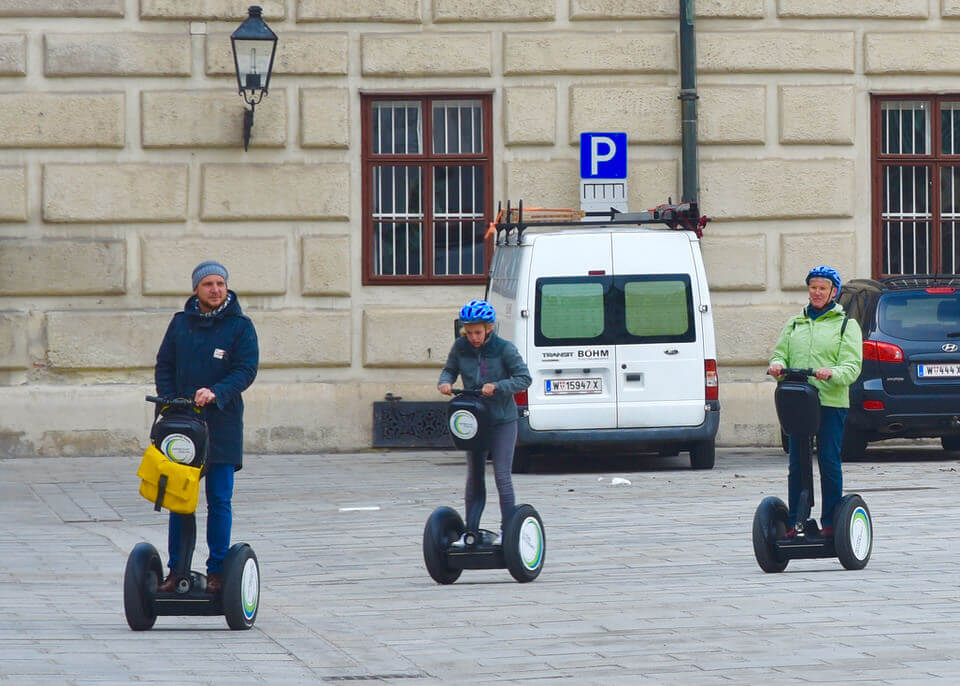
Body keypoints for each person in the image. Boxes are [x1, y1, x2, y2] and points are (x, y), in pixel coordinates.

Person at [154, 261, 259, 593]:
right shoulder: (180, 324)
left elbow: (245, 371)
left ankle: (216, 571)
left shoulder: (240, 326)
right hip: (183, 425)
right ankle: (177, 571)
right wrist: (170, 399)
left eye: (221, 283)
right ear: (196, 289)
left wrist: (216, 393)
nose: (216, 289)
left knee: (219, 499)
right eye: (208, 284)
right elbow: (164, 365)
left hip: (222, 425)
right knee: (179, 499)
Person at [767, 265, 862, 538]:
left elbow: (852, 365)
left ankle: (831, 521)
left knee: (829, 460)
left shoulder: (846, 325)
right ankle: (797, 520)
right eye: (813, 287)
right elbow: (780, 354)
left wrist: (833, 372)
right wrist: (777, 366)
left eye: (823, 288)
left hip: (830, 401)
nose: (817, 293)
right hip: (799, 401)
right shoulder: (795, 322)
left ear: (834, 292)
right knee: (797, 461)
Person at [438, 299, 532, 546]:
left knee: (501, 475)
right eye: (469, 333)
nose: (473, 338)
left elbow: (524, 378)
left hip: (502, 420)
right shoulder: (460, 347)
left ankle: (508, 532)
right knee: (474, 476)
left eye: (478, 332)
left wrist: (498, 386)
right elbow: (449, 370)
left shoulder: (504, 349)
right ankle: (470, 531)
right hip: (475, 420)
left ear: (489, 328)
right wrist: (445, 382)